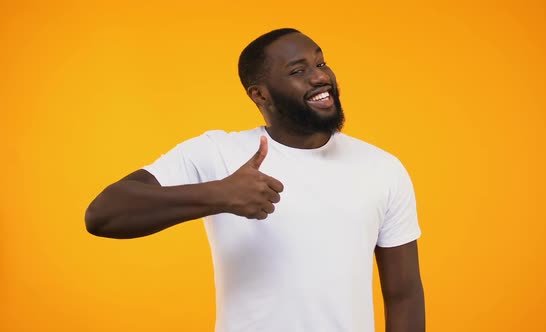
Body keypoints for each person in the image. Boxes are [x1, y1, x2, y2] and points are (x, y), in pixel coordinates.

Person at [85, 28, 425, 332]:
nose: (320, 77)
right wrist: (218, 195)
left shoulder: (382, 168)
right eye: (298, 70)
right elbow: (103, 214)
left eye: (321, 63)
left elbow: (404, 295)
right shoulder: (217, 152)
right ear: (260, 95)